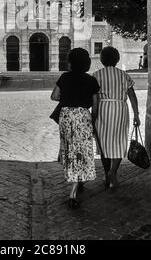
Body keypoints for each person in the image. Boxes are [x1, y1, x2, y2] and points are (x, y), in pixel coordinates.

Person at [51, 48, 100, 208]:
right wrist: (92, 121)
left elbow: (54, 96)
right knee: (83, 149)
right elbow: (95, 105)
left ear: (70, 62)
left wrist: (67, 96)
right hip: (83, 116)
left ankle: (75, 182)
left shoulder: (64, 77)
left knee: (69, 148)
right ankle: (76, 185)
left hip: (66, 116)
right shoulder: (91, 80)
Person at [93, 46, 140, 190]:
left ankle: (108, 174)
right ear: (117, 60)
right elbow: (132, 95)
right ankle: (113, 172)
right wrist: (136, 114)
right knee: (119, 142)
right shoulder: (123, 75)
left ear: (101, 60)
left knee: (104, 143)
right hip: (120, 109)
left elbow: (92, 97)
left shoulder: (96, 75)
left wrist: (92, 115)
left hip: (102, 109)